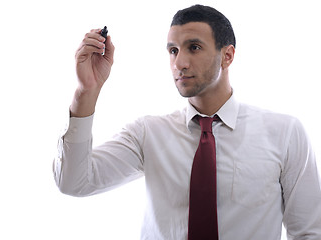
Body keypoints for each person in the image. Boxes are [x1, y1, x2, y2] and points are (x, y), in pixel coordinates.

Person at [53, 4, 321, 240]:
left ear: (227, 56)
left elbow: (309, 232)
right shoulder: (148, 133)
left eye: (194, 48)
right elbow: (73, 182)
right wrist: (86, 91)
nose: (179, 63)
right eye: (173, 50)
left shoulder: (284, 133)